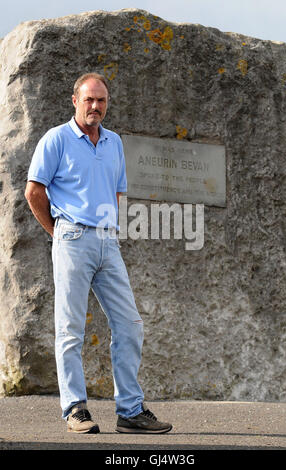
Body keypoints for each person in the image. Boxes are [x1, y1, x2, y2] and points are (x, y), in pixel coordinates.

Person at [25, 72, 172, 434]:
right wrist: (59, 232)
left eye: (101, 100)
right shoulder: (56, 140)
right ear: (75, 101)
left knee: (130, 324)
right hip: (72, 237)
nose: (95, 106)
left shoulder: (114, 143)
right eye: (89, 99)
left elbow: (118, 192)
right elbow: (33, 192)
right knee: (71, 328)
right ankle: (75, 408)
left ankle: (130, 411)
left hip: (109, 241)